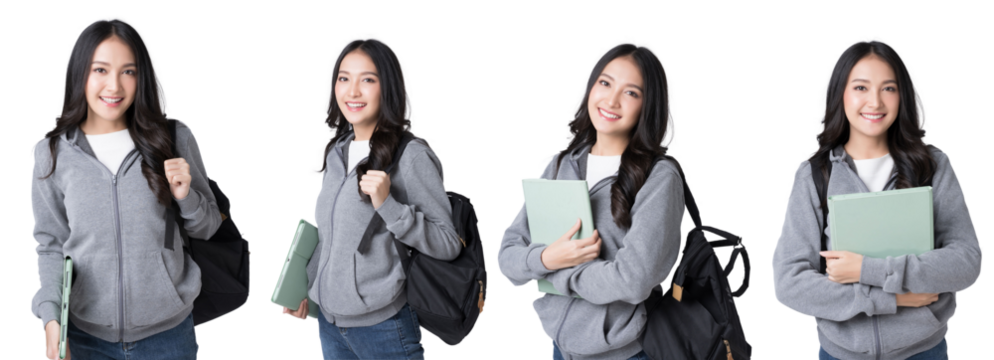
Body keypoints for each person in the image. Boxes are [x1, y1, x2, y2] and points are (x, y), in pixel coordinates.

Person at [771, 35, 983, 359]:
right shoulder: (813, 175)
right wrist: (892, 298)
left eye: (889, 88)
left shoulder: (934, 166)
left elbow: (967, 263)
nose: (875, 102)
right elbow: (789, 283)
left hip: (923, 351)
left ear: (903, 95)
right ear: (840, 93)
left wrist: (865, 270)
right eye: (861, 87)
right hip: (840, 354)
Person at [29, 15, 222, 360]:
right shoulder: (52, 153)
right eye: (100, 70)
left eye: (128, 71)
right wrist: (51, 318)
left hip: (168, 335)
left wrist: (185, 197)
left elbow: (208, 228)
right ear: (80, 74)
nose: (114, 86)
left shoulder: (174, 138)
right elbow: (50, 245)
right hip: (85, 336)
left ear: (141, 76)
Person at [495, 36, 685, 360]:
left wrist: (554, 271)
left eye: (631, 92)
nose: (612, 101)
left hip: (625, 353)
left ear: (647, 106)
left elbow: (632, 281)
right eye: (605, 83)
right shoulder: (558, 165)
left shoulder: (658, 178)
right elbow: (506, 257)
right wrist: (546, 258)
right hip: (560, 348)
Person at [280, 32, 462, 360]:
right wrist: (306, 288)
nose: (352, 91)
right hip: (329, 324)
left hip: (384, 327)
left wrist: (388, 205)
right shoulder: (337, 151)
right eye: (344, 78)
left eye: (367, 79)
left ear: (387, 87)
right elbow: (330, 238)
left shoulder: (411, 156)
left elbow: (448, 243)